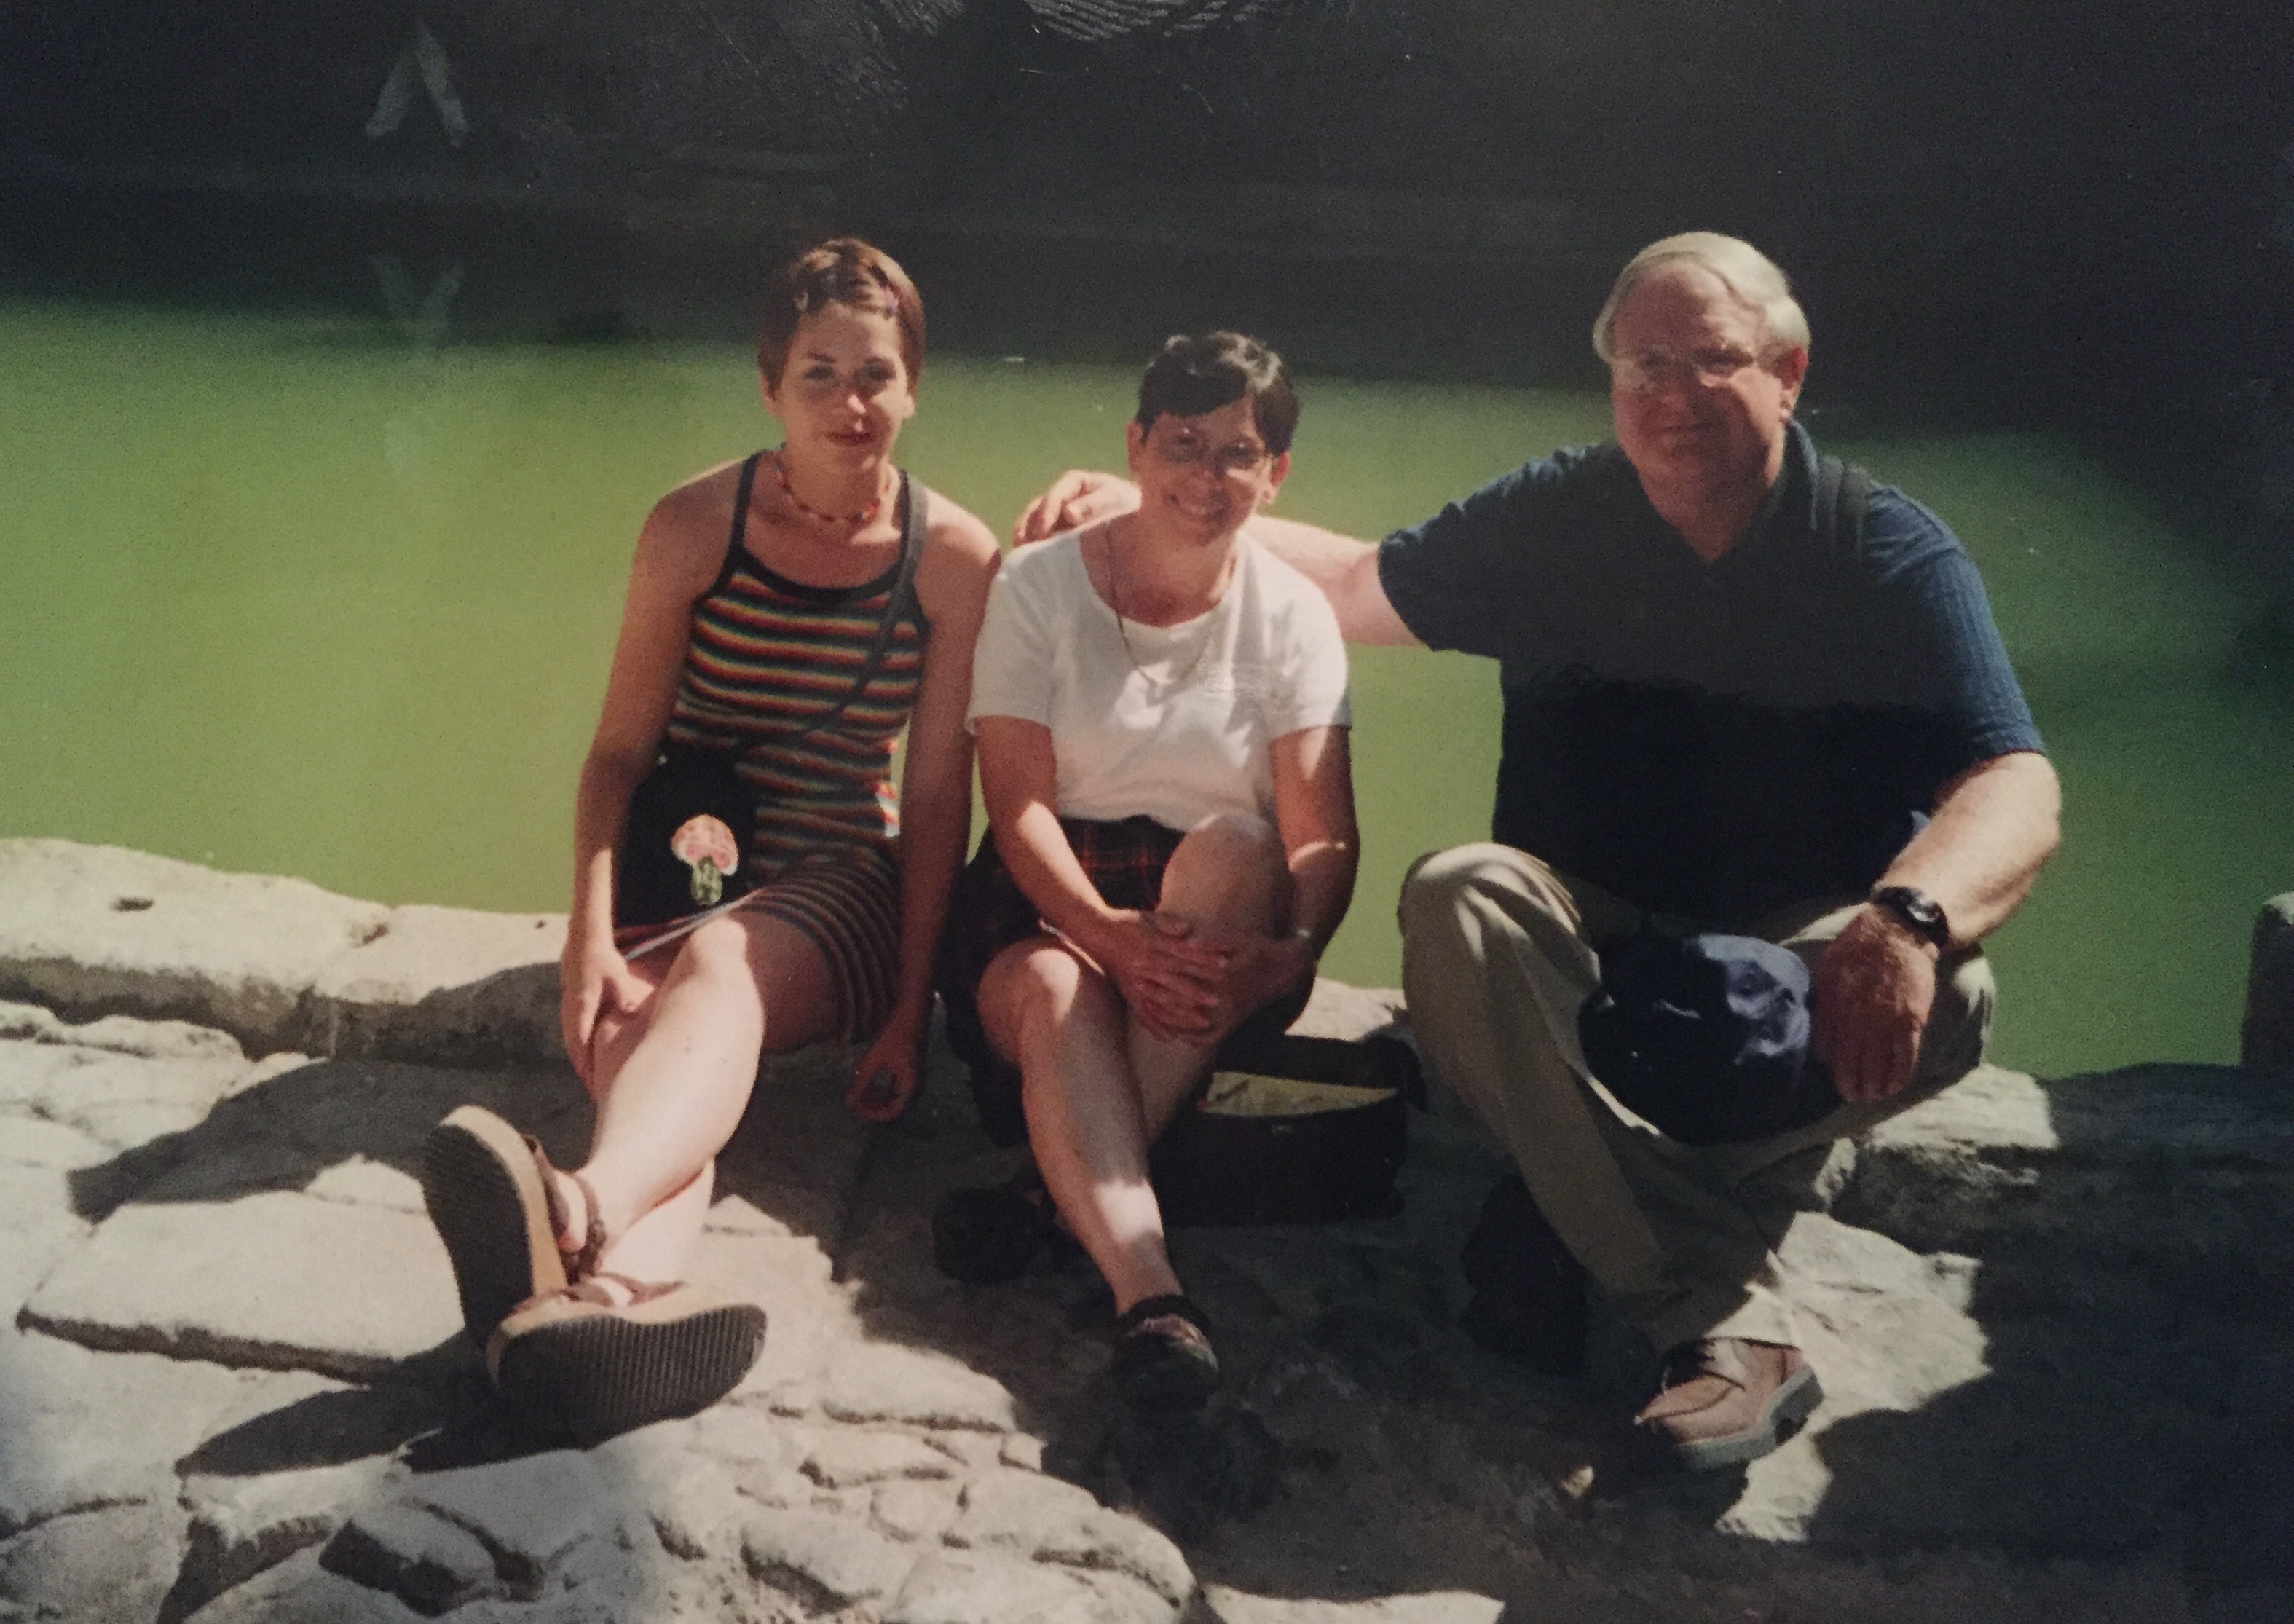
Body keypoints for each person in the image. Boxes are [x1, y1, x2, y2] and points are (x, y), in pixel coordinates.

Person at [1016, 234, 2060, 1468]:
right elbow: (1355, 586)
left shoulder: (1879, 549)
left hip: (1788, 960)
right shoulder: (1559, 516)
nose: (1671, 396)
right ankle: (1711, 1307)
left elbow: (2014, 779)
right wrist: (1154, 503)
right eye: (1643, 365)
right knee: (1457, 895)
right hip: (1580, 950)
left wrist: (1906, 919)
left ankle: (1565, 1212)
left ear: (1787, 372)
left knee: (1955, 993)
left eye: (1712, 361)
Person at [421, 238, 998, 1445]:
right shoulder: (694, 526)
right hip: (677, 866)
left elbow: (940, 796)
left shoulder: (951, 558)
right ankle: (600, 1312)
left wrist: (908, 1009)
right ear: (769, 386)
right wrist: (587, 941)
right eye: (819, 373)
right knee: (645, 1050)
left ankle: (576, 1203)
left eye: (876, 374)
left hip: (838, 882)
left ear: (914, 386)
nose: (850, 403)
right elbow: (617, 755)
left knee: (722, 965)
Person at [944, 331, 1358, 1412]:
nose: (1208, 477)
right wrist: (1105, 934)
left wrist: (1296, 950)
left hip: (1216, 923)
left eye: (1239, 453)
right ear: (1134, 447)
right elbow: (1016, 805)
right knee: (1057, 986)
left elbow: (1320, 836)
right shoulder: (1038, 587)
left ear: (1275, 474)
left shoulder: (1295, 616)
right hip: (1048, 898)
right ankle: (1152, 1291)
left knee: (1240, 850)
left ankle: (1053, 1190)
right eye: (1184, 443)